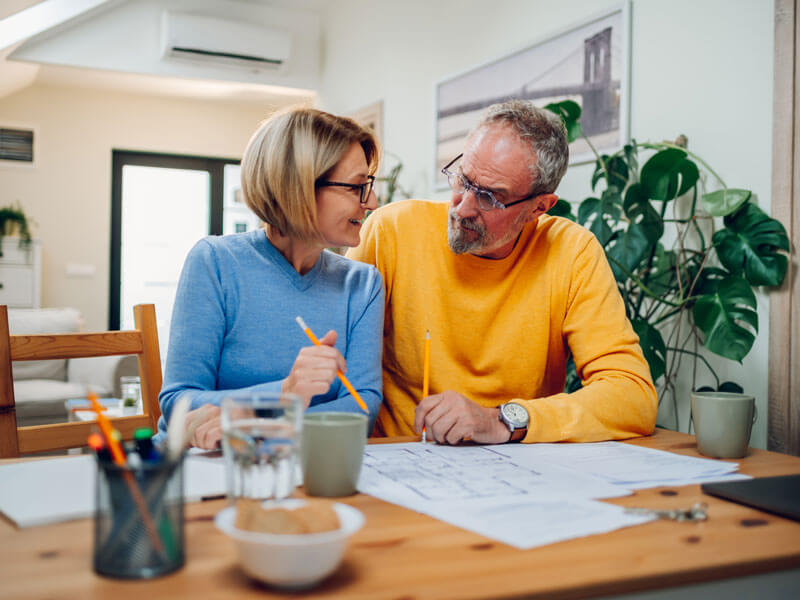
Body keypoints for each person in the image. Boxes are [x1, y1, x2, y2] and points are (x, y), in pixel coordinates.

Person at [347, 99, 656, 445]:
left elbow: (633, 396)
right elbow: (332, 368)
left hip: (514, 474)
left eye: (490, 198)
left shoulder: (572, 253)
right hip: (400, 462)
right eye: (462, 179)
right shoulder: (390, 232)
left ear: (539, 208)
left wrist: (501, 421)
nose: (462, 208)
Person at [157, 107, 385, 449]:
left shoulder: (363, 284)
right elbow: (179, 403)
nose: (372, 202)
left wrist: (252, 422)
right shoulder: (216, 262)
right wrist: (284, 394)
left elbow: (361, 408)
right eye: (356, 187)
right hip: (208, 466)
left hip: (308, 465)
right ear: (301, 187)